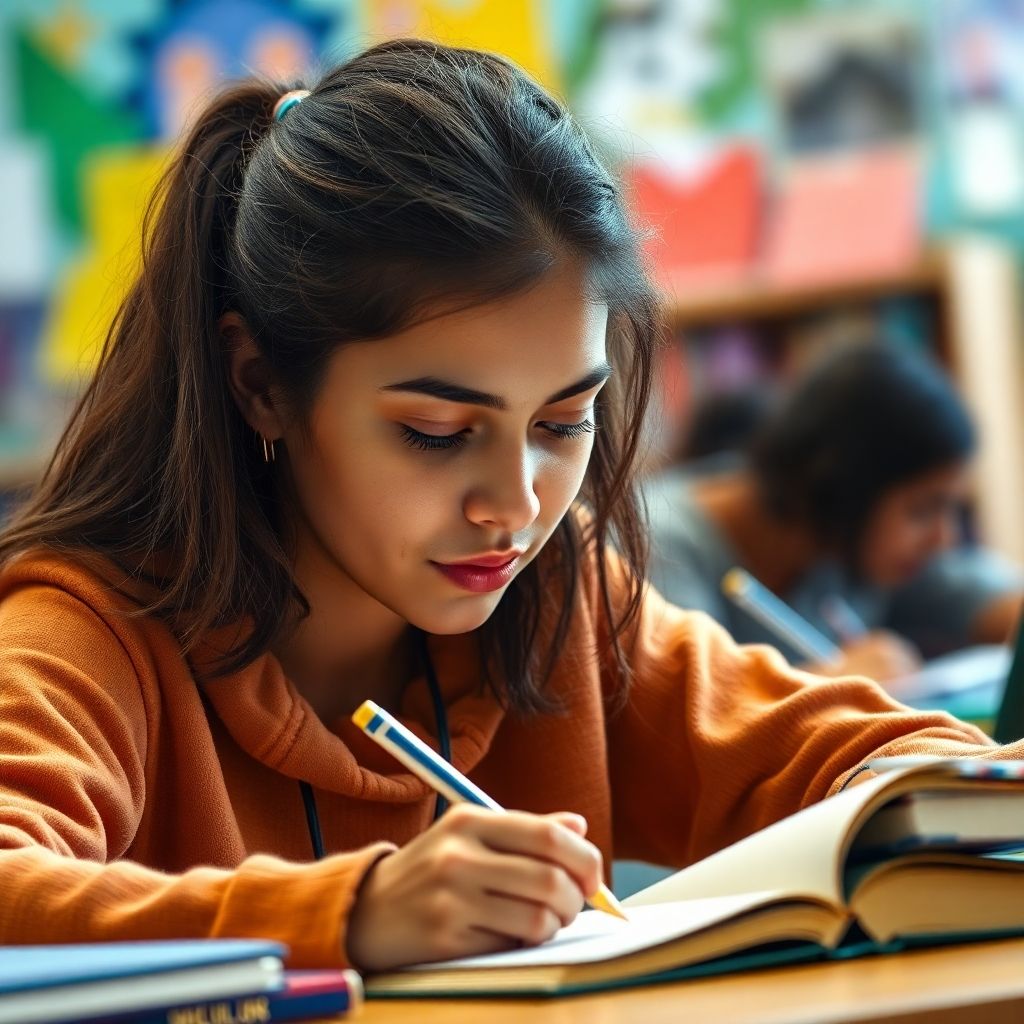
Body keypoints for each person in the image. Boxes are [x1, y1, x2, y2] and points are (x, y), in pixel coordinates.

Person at [0, 40, 1017, 974]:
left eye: (564, 421)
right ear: (260, 381)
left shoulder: (557, 595)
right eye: (438, 433)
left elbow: (823, 752)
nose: (516, 505)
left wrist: (954, 786)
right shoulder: (84, 638)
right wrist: (350, 914)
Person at [645, 343, 1024, 681]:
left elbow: (973, 591)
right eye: (924, 509)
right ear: (842, 484)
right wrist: (834, 681)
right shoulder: (657, 545)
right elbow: (680, 713)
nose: (944, 538)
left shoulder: (840, 540)